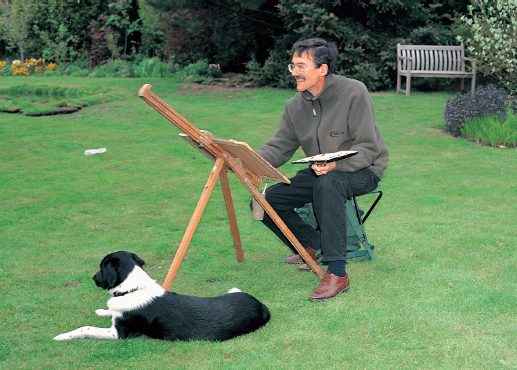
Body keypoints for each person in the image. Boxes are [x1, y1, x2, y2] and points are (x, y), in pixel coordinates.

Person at [255, 38, 389, 302]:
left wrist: (336, 165)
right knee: (265, 200)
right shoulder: (295, 105)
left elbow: (368, 146)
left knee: (329, 184)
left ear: (323, 69)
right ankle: (313, 245)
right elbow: (280, 146)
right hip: (320, 169)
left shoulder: (354, 92)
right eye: (293, 66)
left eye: (301, 65)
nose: (294, 72)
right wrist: (250, 162)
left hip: (363, 168)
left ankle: (337, 273)